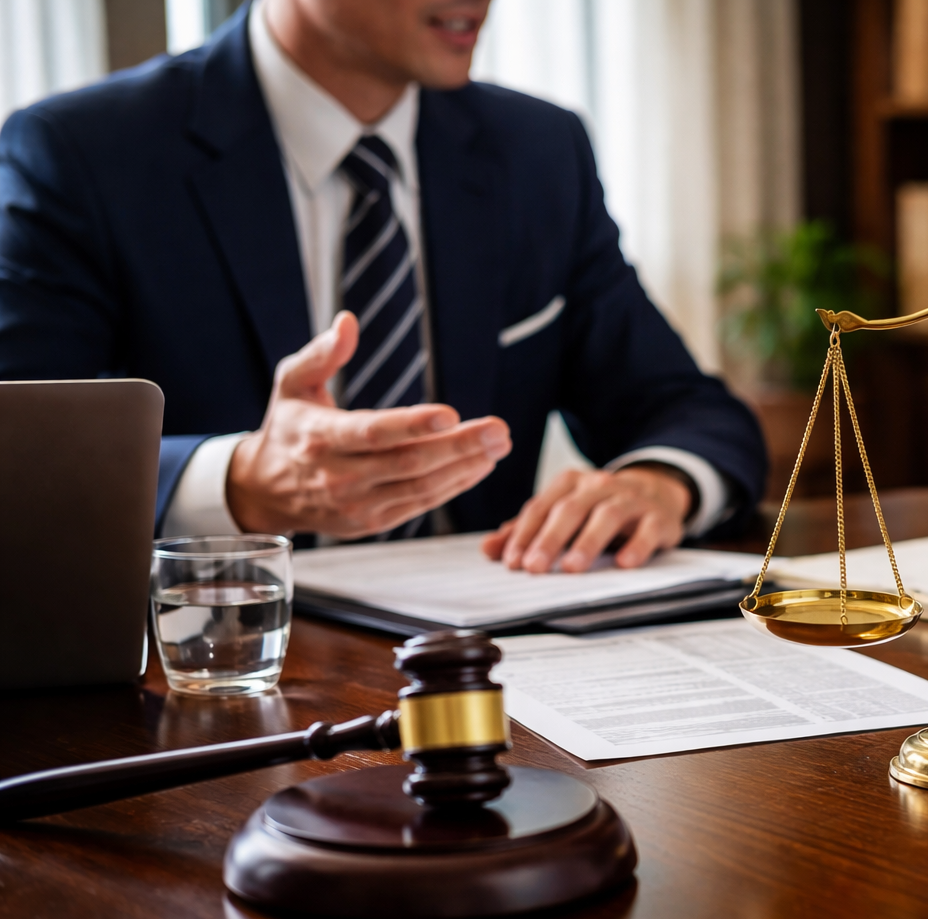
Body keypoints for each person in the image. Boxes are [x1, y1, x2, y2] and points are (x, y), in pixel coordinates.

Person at [0, 0, 765, 575]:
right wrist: (237, 485)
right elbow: (23, 458)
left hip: (496, 679)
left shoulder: (537, 151)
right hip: (209, 683)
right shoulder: (81, 155)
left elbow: (687, 407)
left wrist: (660, 483)